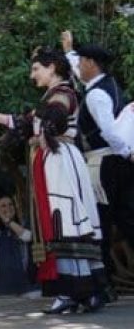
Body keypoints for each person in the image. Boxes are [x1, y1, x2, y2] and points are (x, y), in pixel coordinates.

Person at [0, 47, 104, 313]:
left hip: (60, 163)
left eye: (36, 69)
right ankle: (80, 291)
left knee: (64, 221)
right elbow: (24, 121)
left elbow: (54, 117)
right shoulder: (52, 96)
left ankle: (75, 291)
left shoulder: (63, 94)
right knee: (60, 222)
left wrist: (45, 132)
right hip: (54, 163)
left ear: (52, 67)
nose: (33, 75)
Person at [62, 32, 133, 300]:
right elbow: (79, 76)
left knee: (101, 223)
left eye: (81, 62)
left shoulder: (95, 96)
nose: (78, 67)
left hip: (105, 164)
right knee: (126, 220)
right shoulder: (108, 85)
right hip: (116, 163)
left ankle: (102, 287)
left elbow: (109, 131)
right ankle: (103, 286)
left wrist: (128, 153)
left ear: (91, 63)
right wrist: (69, 51)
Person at [0, 196, 37, 296]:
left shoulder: (23, 223)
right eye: (3, 206)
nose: (8, 208)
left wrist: (6, 219)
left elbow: (27, 236)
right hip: (3, 288)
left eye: (10, 204)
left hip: (29, 286)